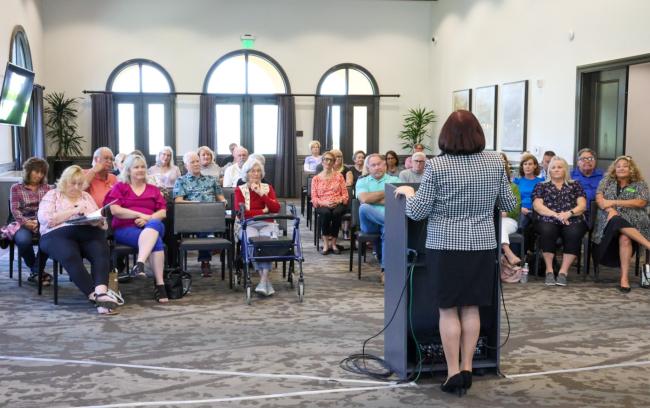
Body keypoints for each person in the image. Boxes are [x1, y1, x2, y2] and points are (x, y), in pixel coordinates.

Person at [395, 110, 515, 397]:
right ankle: (468, 368)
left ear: (446, 135)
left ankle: (452, 374)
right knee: (471, 308)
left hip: (446, 246)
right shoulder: (495, 162)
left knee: (448, 309)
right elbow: (508, 202)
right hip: (482, 245)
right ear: (478, 133)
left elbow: (418, 211)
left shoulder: (438, 166)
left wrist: (409, 194)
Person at [37, 165, 120, 315]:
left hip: (86, 234)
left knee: (100, 249)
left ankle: (101, 291)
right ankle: (96, 297)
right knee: (69, 254)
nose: (76, 187)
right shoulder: (52, 195)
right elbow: (45, 220)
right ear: (64, 181)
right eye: (72, 183)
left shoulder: (86, 197)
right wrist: (74, 211)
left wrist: (98, 221)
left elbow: (103, 223)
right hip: (56, 234)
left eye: (80, 184)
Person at [105, 154, 169, 303]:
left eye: (142, 167)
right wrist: (140, 214)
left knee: (155, 224)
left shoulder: (153, 189)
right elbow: (115, 210)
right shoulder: (120, 187)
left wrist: (147, 218)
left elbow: (163, 212)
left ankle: (139, 263)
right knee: (157, 241)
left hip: (151, 225)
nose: (140, 170)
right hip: (125, 229)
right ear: (128, 170)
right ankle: (160, 285)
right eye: (136, 167)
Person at [593, 156, 650, 293]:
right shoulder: (606, 182)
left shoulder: (640, 184)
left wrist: (613, 203)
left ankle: (624, 279)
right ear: (614, 169)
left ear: (632, 169)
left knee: (625, 237)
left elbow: (641, 202)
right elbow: (600, 201)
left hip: (635, 222)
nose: (621, 168)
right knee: (616, 219)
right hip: (608, 220)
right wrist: (611, 209)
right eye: (618, 166)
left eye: (625, 166)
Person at [532, 156, 587, 286]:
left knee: (573, 233)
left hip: (572, 219)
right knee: (547, 230)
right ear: (549, 170)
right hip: (548, 218)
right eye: (553, 167)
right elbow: (537, 206)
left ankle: (563, 272)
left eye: (560, 167)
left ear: (565, 170)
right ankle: (549, 271)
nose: (556, 170)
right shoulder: (541, 186)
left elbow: (582, 205)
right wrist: (557, 215)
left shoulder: (575, 185)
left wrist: (568, 213)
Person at [173, 151, 227, 277]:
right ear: (186, 165)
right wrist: (196, 203)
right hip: (193, 215)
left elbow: (220, 197)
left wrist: (224, 201)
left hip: (212, 214)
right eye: (193, 162)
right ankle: (206, 259)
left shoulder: (211, 179)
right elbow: (178, 201)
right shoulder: (181, 181)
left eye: (197, 161)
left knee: (207, 223)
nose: (196, 164)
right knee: (205, 227)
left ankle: (208, 252)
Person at [234, 157, 281, 296]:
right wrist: (264, 211)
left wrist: (261, 193)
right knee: (253, 243)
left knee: (266, 244)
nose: (255, 174)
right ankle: (265, 281)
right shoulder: (239, 190)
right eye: (252, 171)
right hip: (248, 224)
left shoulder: (268, 188)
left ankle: (263, 279)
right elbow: (242, 213)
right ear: (247, 173)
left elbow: (276, 208)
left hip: (267, 222)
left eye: (258, 171)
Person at [355, 154, 401, 275]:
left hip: (387, 222)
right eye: (373, 165)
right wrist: (388, 191)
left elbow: (398, 201)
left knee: (387, 228)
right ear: (368, 168)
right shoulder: (362, 181)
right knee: (364, 207)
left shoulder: (395, 180)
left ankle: (385, 270)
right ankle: (391, 222)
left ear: (385, 165)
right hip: (369, 224)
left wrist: (373, 198)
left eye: (379, 164)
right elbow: (364, 199)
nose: (377, 167)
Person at [9, 157, 52, 284]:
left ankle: (36, 272)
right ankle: (37, 271)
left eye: (42, 172)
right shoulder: (16, 188)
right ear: (28, 171)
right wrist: (26, 223)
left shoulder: (47, 188)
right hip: (21, 222)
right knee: (23, 241)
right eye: (36, 171)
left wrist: (39, 222)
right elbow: (15, 210)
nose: (39, 175)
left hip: (42, 222)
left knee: (49, 239)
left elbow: (50, 208)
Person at [311, 151, 349, 255]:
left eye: (330, 160)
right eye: (326, 159)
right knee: (326, 213)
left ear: (333, 163)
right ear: (322, 162)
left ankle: (334, 244)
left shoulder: (339, 176)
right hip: (323, 203)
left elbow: (345, 194)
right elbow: (314, 198)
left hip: (338, 202)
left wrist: (338, 201)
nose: (328, 162)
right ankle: (326, 244)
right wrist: (325, 203)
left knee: (337, 213)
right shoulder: (316, 179)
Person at [498, 152, 522, 267]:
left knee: (500, 225)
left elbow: (515, 209)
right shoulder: (485, 185)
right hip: (489, 220)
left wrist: (504, 212)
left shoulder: (513, 187)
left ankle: (508, 253)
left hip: (508, 220)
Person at [513, 153, 544, 230]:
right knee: (521, 224)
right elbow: (513, 200)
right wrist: (521, 208)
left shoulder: (541, 182)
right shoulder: (517, 181)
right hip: (521, 210)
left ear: (535, 166)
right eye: (525, 164)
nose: (527, 166)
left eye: (530, 164)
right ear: (522, 166)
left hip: (537, 210)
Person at [571, 148, 604, 217]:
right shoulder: (570, 176)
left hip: (598, 211)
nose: (587, 161)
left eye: (590, 159)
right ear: (578, 162)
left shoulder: (603, 176)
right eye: (583, 159)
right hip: (576, 211)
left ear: (595, 162)